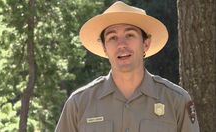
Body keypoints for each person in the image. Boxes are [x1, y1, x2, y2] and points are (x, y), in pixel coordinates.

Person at [55, 1, 200, 132]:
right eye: (112, 38)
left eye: (130, 35)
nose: (121, 44)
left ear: (146, 44)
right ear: (105, 48)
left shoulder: (176, 101)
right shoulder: (79, 103)